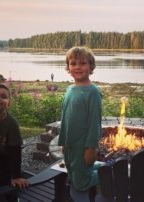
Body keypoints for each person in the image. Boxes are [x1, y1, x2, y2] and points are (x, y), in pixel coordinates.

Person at [58, 46, 102, 202]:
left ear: (91, 67)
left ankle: (110, 173)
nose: (77, 67)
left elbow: (95, 123)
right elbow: (65, 117)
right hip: (70, 143)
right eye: (73, 63)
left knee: (82, 182)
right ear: (68, 67)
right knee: (73, 170)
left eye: (83, 63)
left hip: (83, 144)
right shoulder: (70, 89)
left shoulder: (93, 92)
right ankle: (94, 171)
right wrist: (63, 141)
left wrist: (91, 148)